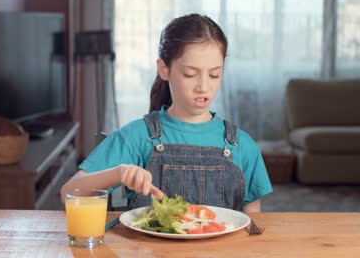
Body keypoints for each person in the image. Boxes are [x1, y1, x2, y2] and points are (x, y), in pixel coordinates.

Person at [61, 13, 273, 212]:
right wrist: (119, 173)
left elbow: (252, 227)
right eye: (190, 74)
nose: (203, 86)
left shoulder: (243, 146)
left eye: (214, 74)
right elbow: (69, 193)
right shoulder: (136, 137)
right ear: (164, 69)